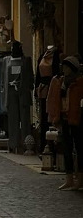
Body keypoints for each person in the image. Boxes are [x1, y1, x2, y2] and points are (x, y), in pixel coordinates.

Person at [47, 56, 83, 190]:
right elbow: (56, 100)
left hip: (77, 119)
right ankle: (69, 179)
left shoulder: (79, 82)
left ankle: (79, 179)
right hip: (64, 118)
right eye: (64, 67)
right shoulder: (61, 82)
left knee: (79, 149)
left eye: (67, 67)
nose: (65, 70)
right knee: (67, 148)